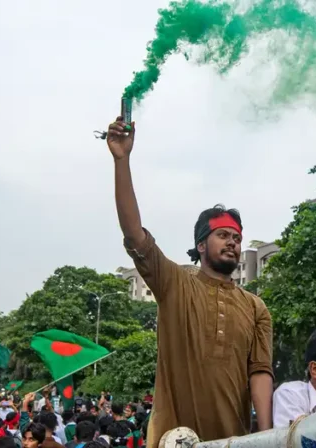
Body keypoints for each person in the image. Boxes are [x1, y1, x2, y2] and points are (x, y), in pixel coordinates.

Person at [105, 115, 274, 448]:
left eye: (237, 238)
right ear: (201, 245)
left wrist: (268, 436)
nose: (232, 243)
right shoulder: (175, 283)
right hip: (170, 440)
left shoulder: (256, 308)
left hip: (233, 442)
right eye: (222, 235)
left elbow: (260, 372)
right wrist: (122, 161)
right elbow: (135, 235)